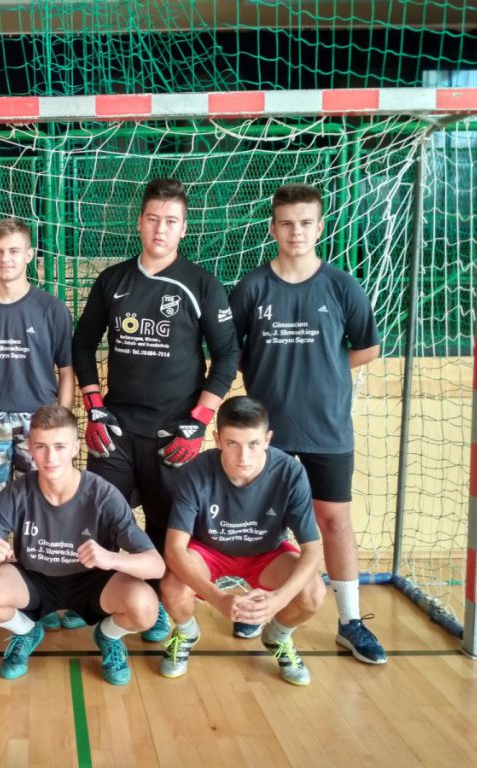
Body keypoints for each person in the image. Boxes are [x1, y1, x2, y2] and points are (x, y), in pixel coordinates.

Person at [71, 177, 239, 642]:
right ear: (139, 222)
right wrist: (94, 406)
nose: (160, 229)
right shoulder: (113, 280)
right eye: (152, 219)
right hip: (116, 429)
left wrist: (200, 421)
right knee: (101, 519)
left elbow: (227, 355)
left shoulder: (202, 284)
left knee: (168, 529)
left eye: (170, 221)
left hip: (174, 433)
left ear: (184, 228)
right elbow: (82, 344)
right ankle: (99, 603)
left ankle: (159, 607)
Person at [228, 184, 386, 664]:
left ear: (319, 228)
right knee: (260, 522)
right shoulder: (252, 288)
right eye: (286, 223)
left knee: (333, 520)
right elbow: (232, 352)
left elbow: (368, 348)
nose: (295, 232)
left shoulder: (341, 286)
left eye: (304, 223)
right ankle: (257, 606)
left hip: (326, 429)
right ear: (272, 228)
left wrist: (325, 369)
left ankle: (350, 622)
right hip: (265, 433)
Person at [0, 405, 164, 685]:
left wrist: (111, 559)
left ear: (75, 448)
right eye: (41, 447)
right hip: (35, 580)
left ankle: (108, 636)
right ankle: (26, 631)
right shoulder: (16, 493)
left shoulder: (103, 495)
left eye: (59, 446)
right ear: (30, 448)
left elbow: (156, 566)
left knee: (145, 607)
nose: (51, 457)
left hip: (93, 582)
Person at [0, 217, 79, 630]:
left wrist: (60, 427)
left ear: (30, 256)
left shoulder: (50, 308)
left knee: (41, 504)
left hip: (38, 422)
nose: (6, 259)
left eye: (14, 251)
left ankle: (40, 589)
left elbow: (66, 370)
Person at [159, 396, 325, 686]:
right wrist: (217, 599)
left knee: (313, 594)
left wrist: (279, 599)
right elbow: (174, 549)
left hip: (266, 554)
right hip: (210, 551)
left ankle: (278, 636)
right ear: (217, 439)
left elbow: (313, 550)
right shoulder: (195, 471)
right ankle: (186, 633)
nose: (243, 457)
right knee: (172, 587)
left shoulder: (290, 472)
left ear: (267, 439)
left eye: (254, 444)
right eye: (232, 443)